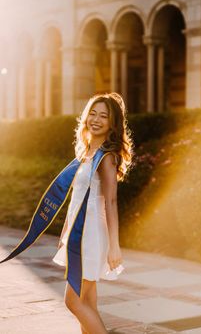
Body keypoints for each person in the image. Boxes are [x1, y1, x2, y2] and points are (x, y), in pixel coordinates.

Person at [52, 92, 133, 334]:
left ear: (112, 123)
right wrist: (65, 230)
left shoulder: (106, 157)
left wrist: (114, 245)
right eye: (93, 114)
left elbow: (110, 201)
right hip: (78, 232)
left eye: (103, 116)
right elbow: (77, 197)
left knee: (73, 301)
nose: (96, 119)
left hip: (92, 235)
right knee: (87, 302)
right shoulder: (85, 152)